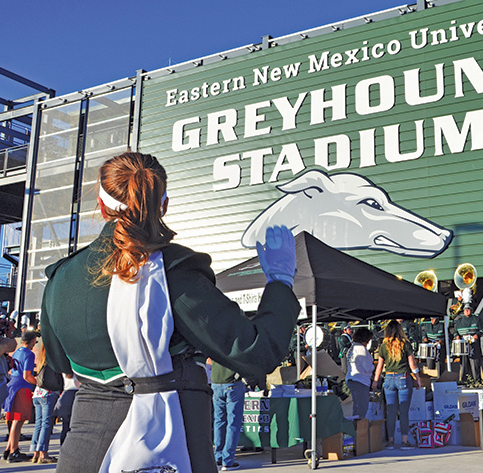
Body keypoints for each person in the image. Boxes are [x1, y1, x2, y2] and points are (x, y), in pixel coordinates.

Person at [39, 152, 300, 473]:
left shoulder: (60, 278)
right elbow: (256, 352)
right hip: (168, 449)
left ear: (101, 204)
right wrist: (281, 281)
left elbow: (60, 364)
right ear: (162, 204)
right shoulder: (174, 270)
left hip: (82, 455)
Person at [373, 320, 421, 450]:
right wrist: (418, 379)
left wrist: (375, 381)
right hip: (403, 377)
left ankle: (390, 441)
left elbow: (379, 366)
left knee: (391, 411)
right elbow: (412, 365)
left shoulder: (383, 346)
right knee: (404, 411)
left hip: (388, 377)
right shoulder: (405, 344)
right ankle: (404, 441)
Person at [3, 330, 36, 463]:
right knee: (19, 420)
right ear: (32, 340)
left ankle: (9, 448)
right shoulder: (29, 354)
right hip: (22, 387)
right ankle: (14, 451)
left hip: (12, 385)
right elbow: (27, 375)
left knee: (14, 419)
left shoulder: (17, 352)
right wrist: (39, 383)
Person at [210, 360, 247, 471]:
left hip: (216, 381)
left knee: (219, 421)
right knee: (233, 423)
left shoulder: (215, 342)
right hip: (232, 382)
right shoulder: (237, 342)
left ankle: (218, 457)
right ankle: (228, 460)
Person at [30, 342, 61, 464]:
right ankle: (43, 453)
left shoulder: (41, 359)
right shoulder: (53, 359)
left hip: (38, 393)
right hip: (49, 393)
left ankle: (35, 453)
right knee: (46, 424)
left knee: (39, 424)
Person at [346, 327, 375, 420]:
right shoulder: (361, 349)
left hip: (352, 378)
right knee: (362, 409)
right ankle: (359, 430)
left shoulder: (352, 348)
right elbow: (368, 367)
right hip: (360, 380)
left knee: (357, 406)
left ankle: (356, 429)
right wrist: (375, 366)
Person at [453, 303, 483, 383]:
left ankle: (477, 380)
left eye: (468, 309)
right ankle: (464, 380)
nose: (466, 311)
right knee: (464, 364)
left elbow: (482, 330)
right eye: (465, 310)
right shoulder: (459, 321)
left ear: (472, 310)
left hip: (474, 344)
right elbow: (455, 332)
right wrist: (457, 336)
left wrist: (477, 335)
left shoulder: (476, 319)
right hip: (463, 345)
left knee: (475, 363)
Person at [53, 374, 79, 445]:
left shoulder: (65, 371)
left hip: (66, 394)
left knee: (65, 425)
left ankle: (63, 446)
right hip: (76, 393)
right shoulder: (77, 369)